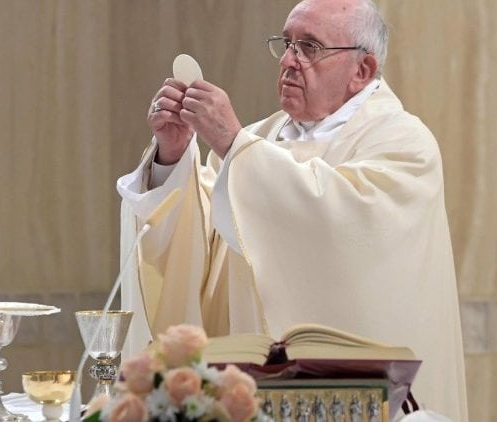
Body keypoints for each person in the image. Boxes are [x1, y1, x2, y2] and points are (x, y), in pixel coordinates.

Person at [116, 0, 468, 420]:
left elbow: (341, 231)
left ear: (362, 70)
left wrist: (233, 145)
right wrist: (172, 159)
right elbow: (208, 243)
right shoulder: (258, 139)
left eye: (309, 47)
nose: (288, 61)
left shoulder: (404, 143)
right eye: (286, 44)